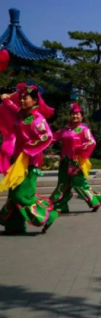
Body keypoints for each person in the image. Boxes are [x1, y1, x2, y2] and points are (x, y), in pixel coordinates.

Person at [0, 84, 57, 234]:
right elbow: (11, 107)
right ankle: (14, 226)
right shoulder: (21, 115)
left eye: (26, 98)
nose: (22, 100)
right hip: (17, 161)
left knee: (23, 195)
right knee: (13, 195)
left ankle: (48, 216)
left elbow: (46, 136)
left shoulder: (37, 119)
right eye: (21, 98)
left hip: (29, 162)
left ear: (34, 101)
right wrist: (6, 99)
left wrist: (27, 148)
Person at [50, 103, 101, 213]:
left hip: (77, 161)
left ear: (82, 116)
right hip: (65, 160)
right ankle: (61, 206)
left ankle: (95, 200)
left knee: (79, 184)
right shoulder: (65, 129)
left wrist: (80, 148)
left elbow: (91, 142)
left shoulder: (84, 129)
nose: (75, 116)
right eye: (73, 114)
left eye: (77, 114)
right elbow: (54, 137)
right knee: (62, 183)